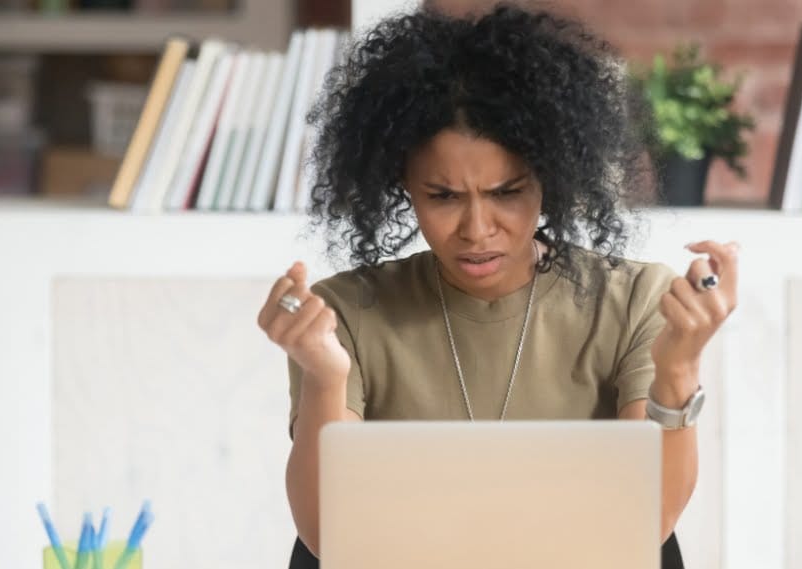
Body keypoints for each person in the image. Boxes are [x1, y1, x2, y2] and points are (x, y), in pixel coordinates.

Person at [256, 3, 739, 568]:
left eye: (507, 192)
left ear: (552, 178)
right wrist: (323, 376)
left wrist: (678, 370)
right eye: (443, 196)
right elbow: (327, 541)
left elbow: (645, 527)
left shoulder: (630, 300)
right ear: (401, 182)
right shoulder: (345, 315)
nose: (477, 230)